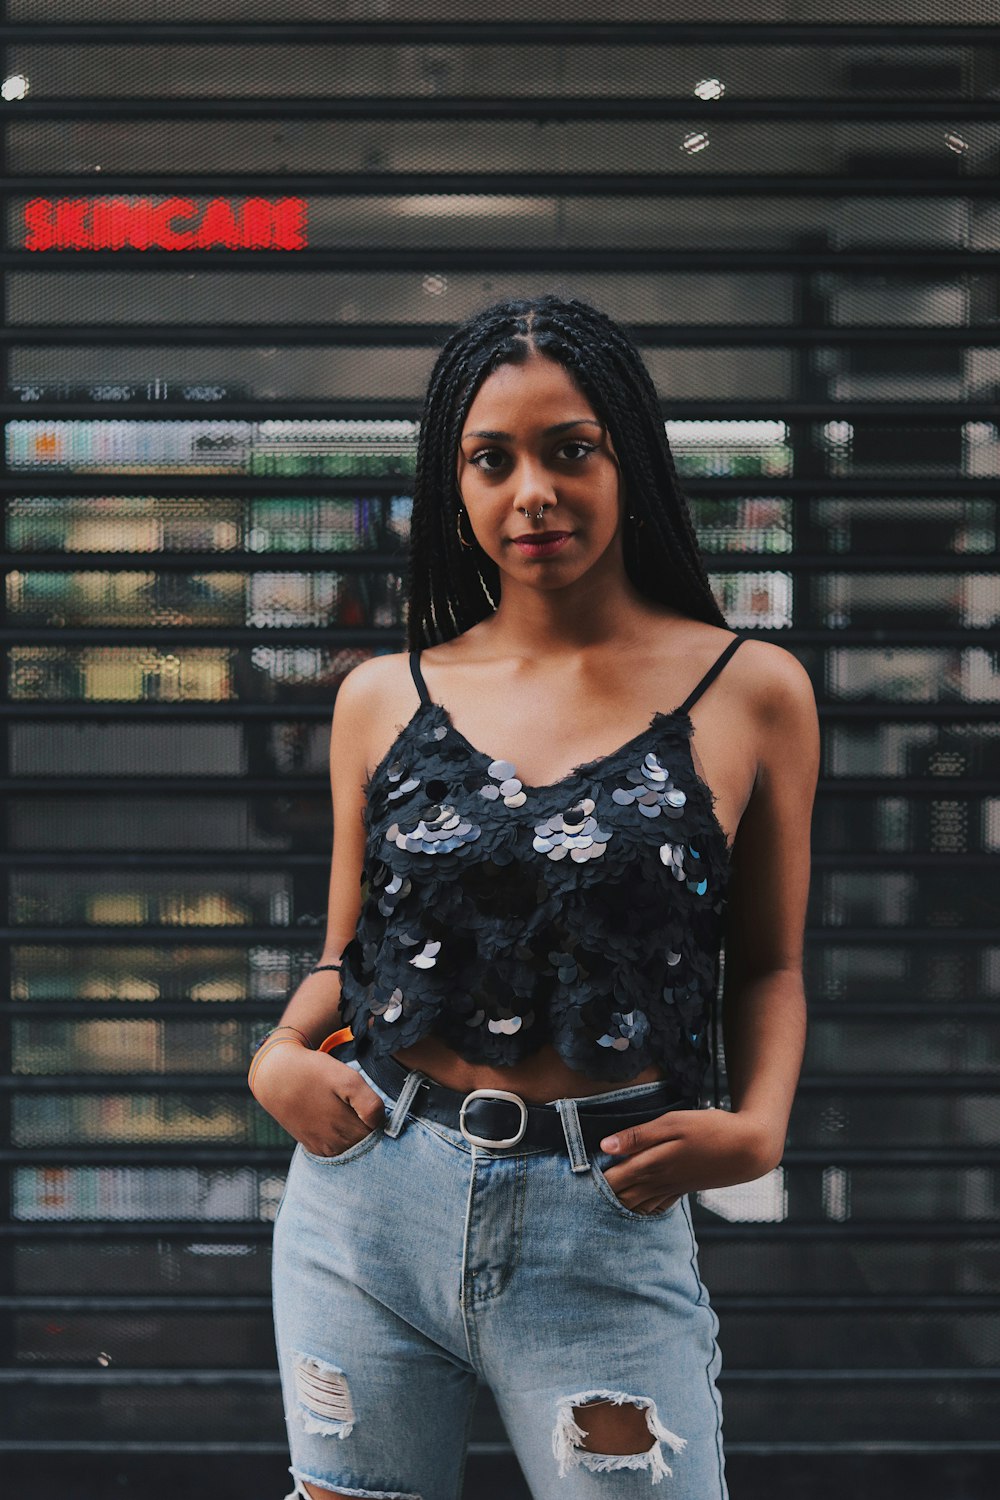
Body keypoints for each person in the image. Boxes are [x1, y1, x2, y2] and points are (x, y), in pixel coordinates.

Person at [249, 294, 818, 1500]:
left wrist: (760, 1127)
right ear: (452, 483)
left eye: (570, 451)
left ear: (629, 461)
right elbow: (346, 952)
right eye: (490, 459)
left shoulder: (749, 689)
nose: (532, 493)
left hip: (600, 1217)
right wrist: (277, 1057)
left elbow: (766, 962)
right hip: (365, 1209)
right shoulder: (380, 695)